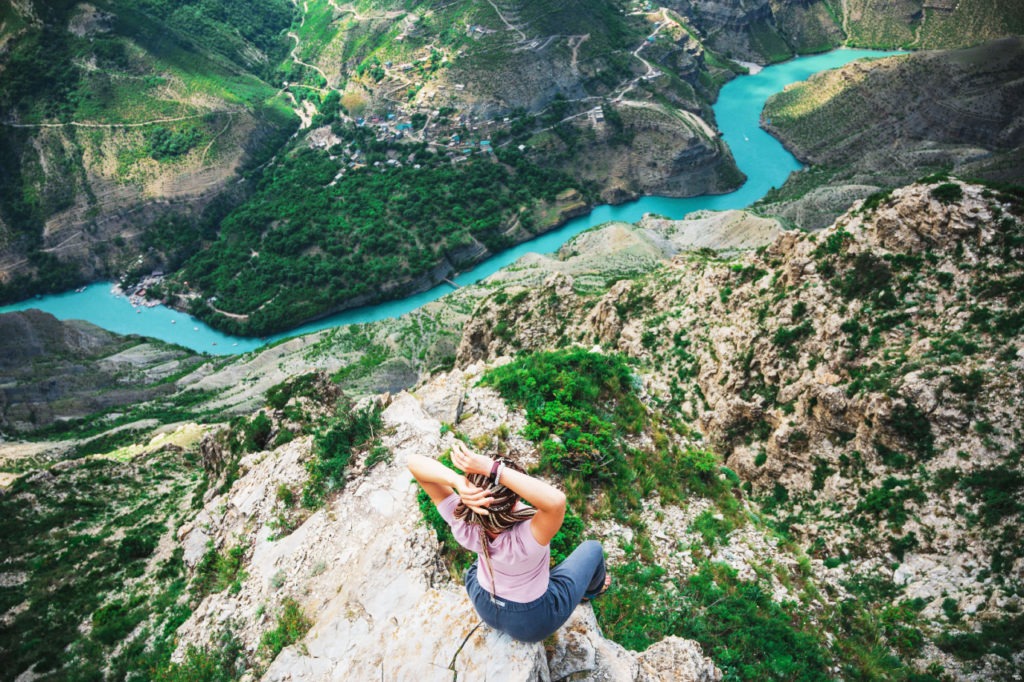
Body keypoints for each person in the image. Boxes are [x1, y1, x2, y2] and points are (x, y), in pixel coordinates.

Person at [408, 439, 610, 643]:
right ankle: (592, 591)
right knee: (592, 549)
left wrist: (457, 481)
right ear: (515, 500)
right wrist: (494, 469)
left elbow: (413, 462)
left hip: (483, 602)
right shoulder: (529, 535)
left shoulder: (462, 520)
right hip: (530, 622)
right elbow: (556, 501)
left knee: (479, 561)